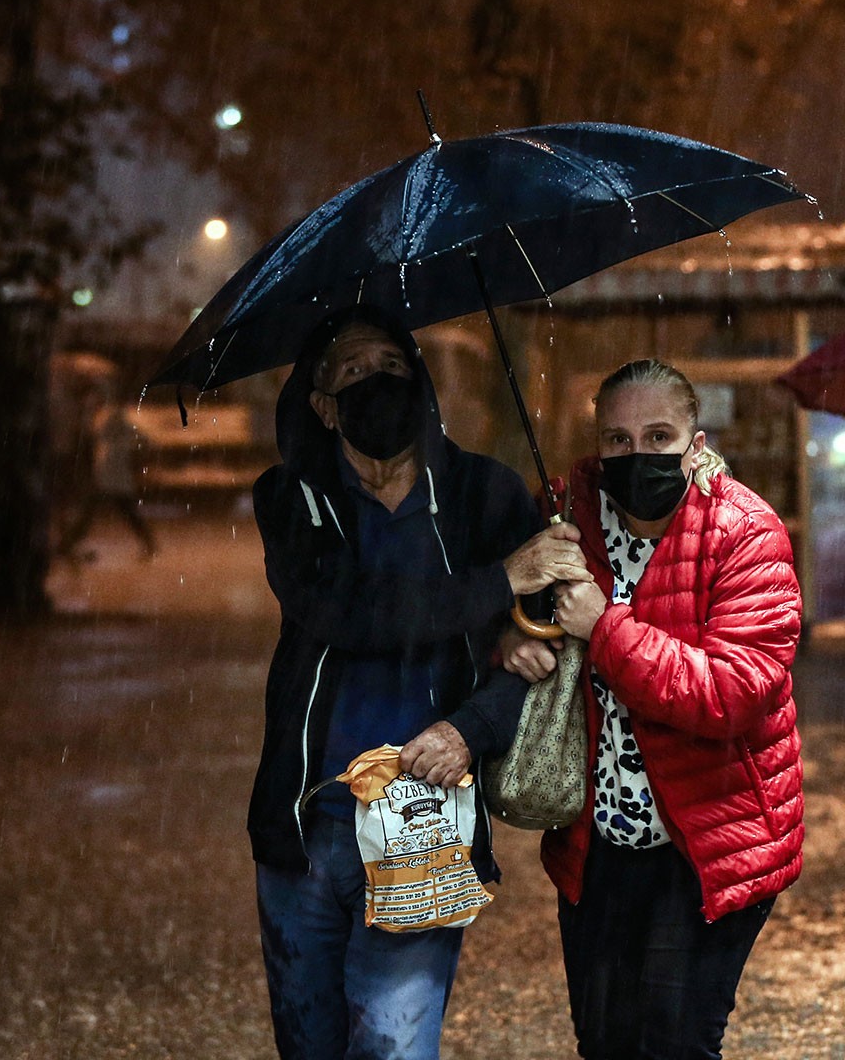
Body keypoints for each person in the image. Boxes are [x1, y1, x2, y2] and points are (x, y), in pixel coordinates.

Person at [250, 304, 592, 1060]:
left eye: (392, 368)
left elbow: (544, 654)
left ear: (422, 383)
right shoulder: (291, 498)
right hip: (304, 828)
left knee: (394, 1050)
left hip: (425, 823)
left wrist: (470, 727)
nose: (377, 383)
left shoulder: (488, 495)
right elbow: (349, 612)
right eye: (353, 372)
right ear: (322, 405)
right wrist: (499, 581)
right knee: (309, 1047)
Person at [500, 358, 804, 1060]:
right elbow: (509, 611)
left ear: (696, 444)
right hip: (598, 844)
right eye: (618, 440)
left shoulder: (747, 533)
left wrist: (604, 629)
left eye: (659, 435)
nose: (638, 456)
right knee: (603, 1040)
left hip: (706, 836)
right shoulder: (565, 514)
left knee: (673, 1042)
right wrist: (511, 636)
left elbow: (731, 693)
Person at [57, 388, 158, 561]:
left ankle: (68, 544)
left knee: (92, 510)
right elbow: (143, 440)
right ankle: (148, 543)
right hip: (113, 476)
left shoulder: (110, 418)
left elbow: (139, 439)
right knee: (122, 511)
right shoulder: (113, 420)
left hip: (109, 475)